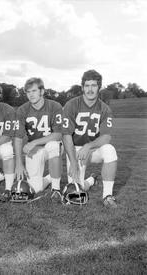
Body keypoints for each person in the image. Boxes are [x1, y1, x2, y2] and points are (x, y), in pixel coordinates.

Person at [62, 70, 118, 208]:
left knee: (110, 150)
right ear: (82, 87)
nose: (90, 89)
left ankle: (107, 195)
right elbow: (66, 135)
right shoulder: (71, 105)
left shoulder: (105, 109)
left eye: (93, 85)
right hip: (75, 150)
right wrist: (73, 162)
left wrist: (89, 146)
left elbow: (106, 136)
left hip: (93, 149)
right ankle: (92, 180)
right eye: (87, 86)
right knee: (77, 190)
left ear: (99, 87)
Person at [14, 77, 63, 198]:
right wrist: (19, 163)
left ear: (42, 91)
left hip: (54, 146)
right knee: (35, 188)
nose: (31, 95)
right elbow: (18, 137)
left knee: (52, 145)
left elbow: (58, 134)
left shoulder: (55, 106)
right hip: (35, 149)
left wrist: (34, 142)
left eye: (34, 91)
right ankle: (50, 177)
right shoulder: (22, 110)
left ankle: (56, 189)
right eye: (28, 92)